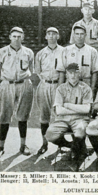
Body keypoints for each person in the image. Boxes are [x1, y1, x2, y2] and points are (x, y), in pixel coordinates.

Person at [0, 27, 34, 158]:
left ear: (23, 37)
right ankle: (1, 146)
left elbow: (31, 70)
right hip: (7, 84)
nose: (17, 39)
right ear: (10, 37)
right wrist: (8, 79)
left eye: (19, 36)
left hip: (24, 84)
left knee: (23, 116)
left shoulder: (28, 52)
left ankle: (23, 144)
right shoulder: (1, 52)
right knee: (4, 115)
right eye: (14, 36)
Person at [46, 63, 93, 171]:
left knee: (80, 130)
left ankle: (75, 160)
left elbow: (86, 109)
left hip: (79, 119)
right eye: (70, 73)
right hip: (63, 119)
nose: (73, 75)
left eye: (75, 72)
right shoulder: (60, 88)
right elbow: (58, 110)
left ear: (79, 73)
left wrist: (68, 105)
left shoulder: (85, 88)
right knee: (49, 135)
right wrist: (77, 108)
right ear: (66, 74)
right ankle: (73, 147)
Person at [34, 27, 64, 155]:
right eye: (49, 34)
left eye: (54, 34)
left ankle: (60, 145)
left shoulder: (64, 51)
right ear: (46, 37)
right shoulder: (40, 53)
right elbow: (37, 71)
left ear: (58, 36)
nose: (51, 36)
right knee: (44, 116)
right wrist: (45, 81)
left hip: (58, 85)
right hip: (45, 85)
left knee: (60, 116)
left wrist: (60, 87)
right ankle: (44, 143)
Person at [58, 24, 98, 96]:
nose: (79, 36)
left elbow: (94, 72)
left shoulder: (92, 51)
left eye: (82, 34)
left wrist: (92, 88)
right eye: (77, 34)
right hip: (70, 83)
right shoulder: (66, 50)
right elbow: (62, 71)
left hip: (86, 82)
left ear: (85, 35)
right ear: (73, 35)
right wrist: (60, 88)